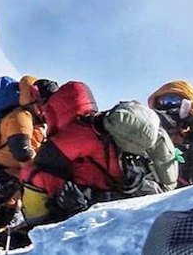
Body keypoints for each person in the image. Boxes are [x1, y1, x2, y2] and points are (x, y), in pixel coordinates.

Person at [20, 81, 123, 227]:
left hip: (99, 195)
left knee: (33, 173)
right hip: (106, 189)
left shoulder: (79, 131)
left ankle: (34, 227)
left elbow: (45, 159)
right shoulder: (93, 125)